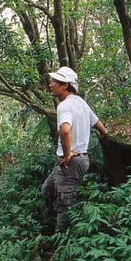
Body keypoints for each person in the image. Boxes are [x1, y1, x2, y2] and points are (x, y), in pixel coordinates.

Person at [42, 66, 108, 231]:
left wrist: (67, 154)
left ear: (65, 85)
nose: (51, 85)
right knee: (47, 189)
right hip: (77, 160)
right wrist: (103, 132)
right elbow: (98, 124)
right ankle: (50, 226)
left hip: (72, 160)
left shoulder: (64, 106)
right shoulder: (81, 103)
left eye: (55, 82)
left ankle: (62, 241)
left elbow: (65, 131)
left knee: (65, 204)